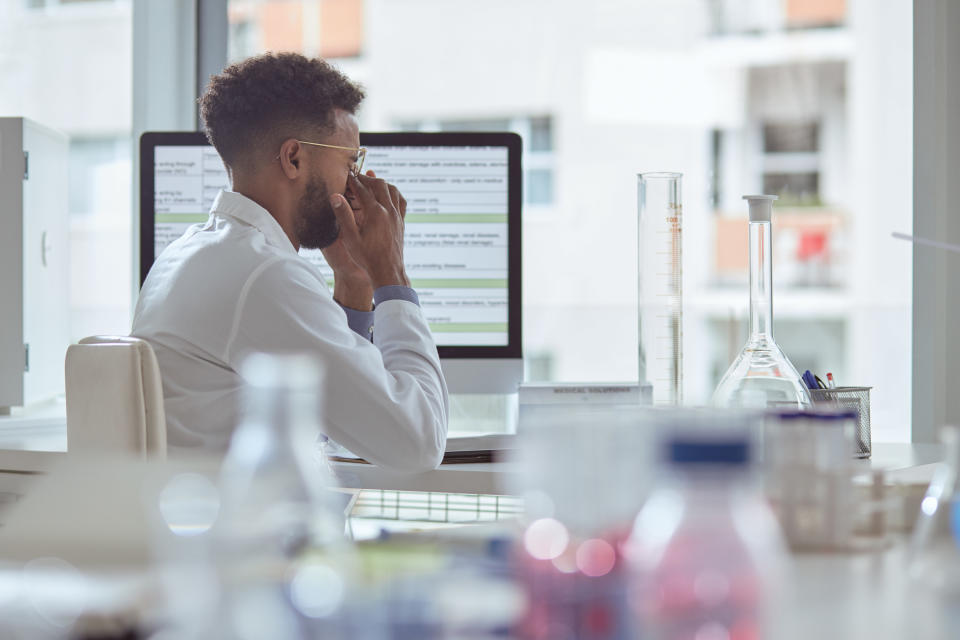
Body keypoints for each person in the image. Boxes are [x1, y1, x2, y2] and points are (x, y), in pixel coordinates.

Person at [131, 53, 448, 472]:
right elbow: (418, 443)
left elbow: (339, 421)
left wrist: (354, 282)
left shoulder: (192, 253)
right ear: (294, 158)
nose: (357, 183)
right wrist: (392, 275)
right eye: (350, 163)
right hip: (245, 533)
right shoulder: (263, 276)